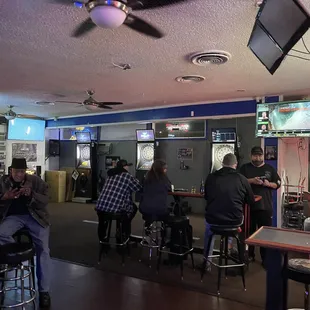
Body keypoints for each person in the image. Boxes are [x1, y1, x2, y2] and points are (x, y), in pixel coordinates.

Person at [0, 158, 51, 308]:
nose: (20, 175)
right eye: (17, 172)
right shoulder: (3, 182)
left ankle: (44, 291)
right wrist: (5, 197)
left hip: (36, 217)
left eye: (22, 172)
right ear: (11, 171)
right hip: (13, 217)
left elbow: (46, 200)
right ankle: (17, 258)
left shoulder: (35, 181)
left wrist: (31, 195)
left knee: (44, 250)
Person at [204, 153, 255, 261]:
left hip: (213, 219)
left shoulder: (211, 177)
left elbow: (206, 197)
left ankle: (207, 261)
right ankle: (228, 250)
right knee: (234, 222)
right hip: (234, 220)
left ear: (222, 164)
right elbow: (251, 200)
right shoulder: (242, 179)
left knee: (209, 229)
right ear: (235, 165)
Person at [239, 146, 281, 263]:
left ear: (263, 156)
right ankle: (249, 255)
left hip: (265, 206)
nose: (257, 157)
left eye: (259, 155)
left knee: (265, 234)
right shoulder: (244, 168)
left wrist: (268, 184)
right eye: (255, 155)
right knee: (249, 232)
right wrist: (251, 181)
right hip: (248, 207)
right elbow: (238, 181)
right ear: (251, 156)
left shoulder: (270, 169)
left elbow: (277, 184)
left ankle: (265, 258)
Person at [95, 159, 141, 243]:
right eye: (127, 166)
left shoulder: (110, 174)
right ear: (124, 167)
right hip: (115, 208)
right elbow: (138, 187)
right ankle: (123, 233)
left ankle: (103, 240)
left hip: (100, 206)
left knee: (102, 221)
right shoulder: (127, 176)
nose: (129, 168)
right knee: (132, 209)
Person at [139, 159, 171, 224]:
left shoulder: (146, 178)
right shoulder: (164, 179)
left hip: (144, 208)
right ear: (162, 169)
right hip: (160, 209)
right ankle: (164, 232)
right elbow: (169, 188)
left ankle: (148, 224)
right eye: (165, 168)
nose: (166, 170)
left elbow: (141, 189)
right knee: (168, 211)